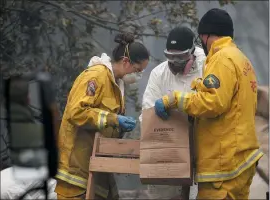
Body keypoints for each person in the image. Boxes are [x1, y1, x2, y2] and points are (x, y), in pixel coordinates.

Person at [154, 8, 263, 199]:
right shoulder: (241, 59)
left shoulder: (221, 59)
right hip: (242, 159)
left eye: (201, 36)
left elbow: (213, 102)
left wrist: (174, 99)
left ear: (207, 35)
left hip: (224, 163)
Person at [55, 33, 150, 200]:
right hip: (76, 169)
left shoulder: (117, 85)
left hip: (96, 166)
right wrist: (114, 119)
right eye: (137, 70)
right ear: (126, 61)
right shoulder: (96, 76)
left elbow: (103, 123)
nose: (138, 76)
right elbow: (75, 112)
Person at [140, 26, 206, 199]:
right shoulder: (159, 74)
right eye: (170, 56)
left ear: (192, 51)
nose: (175, 62)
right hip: (170, 150)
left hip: (203, 149)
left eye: (181, 57)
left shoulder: (207, 67)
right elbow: (146, 113)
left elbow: (212, 104)